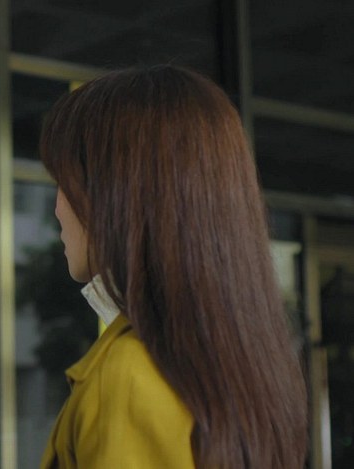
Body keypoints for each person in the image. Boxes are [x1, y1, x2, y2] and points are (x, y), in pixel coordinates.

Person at [38, 65, 308, 468]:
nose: (58, 206)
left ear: (117, 192)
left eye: (65, 181)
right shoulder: (244, 365)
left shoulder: (131, 375)